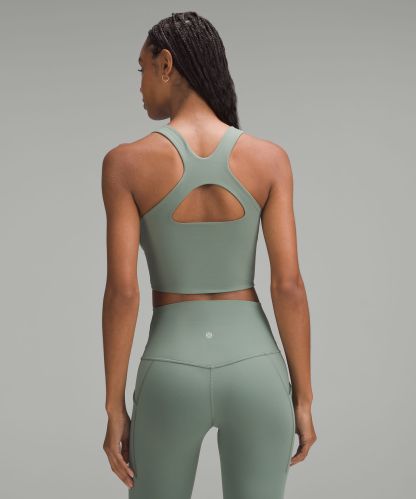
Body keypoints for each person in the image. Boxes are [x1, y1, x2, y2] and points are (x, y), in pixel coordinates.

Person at [101, 11, 316, 499]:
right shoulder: (270, 160)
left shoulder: (125, 164)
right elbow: (288, 286)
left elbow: (123, 293)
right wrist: (303, 398)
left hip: (170, 370)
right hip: (257, 369)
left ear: (166, 64)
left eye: (141, 69)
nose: (139, 85)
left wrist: (114, 407)